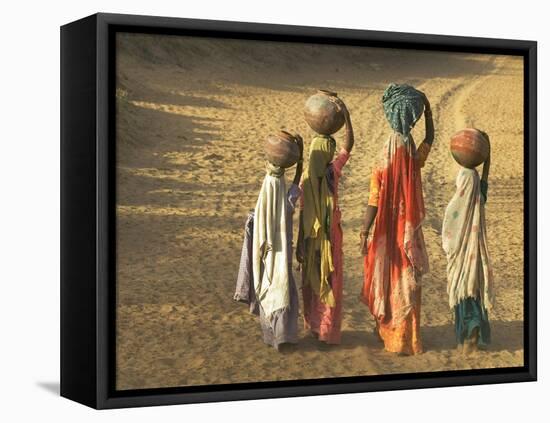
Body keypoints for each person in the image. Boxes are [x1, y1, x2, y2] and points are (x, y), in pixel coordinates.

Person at [360, 83, 433, 355]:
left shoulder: (384, 155)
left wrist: (365, 230)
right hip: (408, 231)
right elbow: (430, 142)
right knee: (408, 280)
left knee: (387, 277)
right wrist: (429, 113)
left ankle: (388, 331)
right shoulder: (412, 153)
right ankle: (407, 338)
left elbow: (373, 198)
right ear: (412, 118)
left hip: (385, 232)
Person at [234, 134, 304, 351]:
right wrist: (300, 161)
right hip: (281, 252)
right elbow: (296, 186)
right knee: (283, 290)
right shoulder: (285, 200)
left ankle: (270, 335)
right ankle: (283, 336)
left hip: (265, 254)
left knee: (267, 287)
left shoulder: (266, 193)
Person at [297, 96, 354, 345]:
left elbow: (302, 215)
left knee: (311, 280)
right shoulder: (333, 173)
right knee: (329, 280)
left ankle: (313, 326)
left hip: (310, 239)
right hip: (331, 236)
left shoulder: (306, 181)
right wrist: (348, 118)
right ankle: (326, 333)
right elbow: (348, 146)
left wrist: (300, 243)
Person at [442, 131, 494, 355]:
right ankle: (474, 333)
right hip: (475, 249)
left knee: (463, 290)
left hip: (462, 252)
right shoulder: (479, 195)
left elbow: (450, 224)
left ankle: (469, 334)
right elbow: (484, 182)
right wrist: (487, 159)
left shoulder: (461, 195)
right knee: (473, 288)